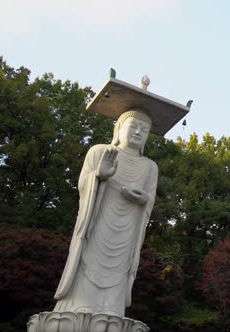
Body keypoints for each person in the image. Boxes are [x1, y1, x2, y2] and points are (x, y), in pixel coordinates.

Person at [53, 109, 158, 317]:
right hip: (99, 220)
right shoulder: (99, 151)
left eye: (144, 130)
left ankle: (112, 308)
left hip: (128, 227)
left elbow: (150, 198)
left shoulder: (150, 167)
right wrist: (99, 175)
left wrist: (143, 198)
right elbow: (83, 184)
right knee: (90, 255)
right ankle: (81, 303)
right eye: (133, 126)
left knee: (121, 264)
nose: (138, 132)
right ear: (119, 129)